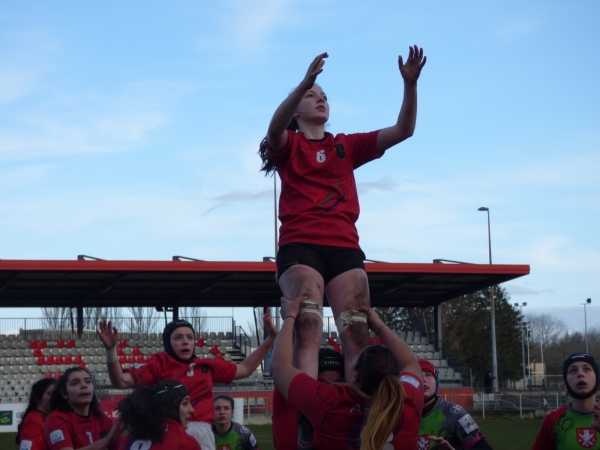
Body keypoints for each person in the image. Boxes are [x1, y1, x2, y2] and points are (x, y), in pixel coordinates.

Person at [258, 45, 427, 384]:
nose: (321, 99)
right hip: (301, 245)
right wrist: (302, 82)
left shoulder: (346, 146)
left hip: (345, 247)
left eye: (323, 95)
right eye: (311, 95)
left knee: (357, 335)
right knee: (307, 329)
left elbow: (404, 130)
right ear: (296, 110)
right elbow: (274, 128)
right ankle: (306, 420)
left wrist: (410, 85)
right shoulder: (289, 145)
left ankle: (357, 418)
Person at [97, 311, 277, 450]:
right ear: (168, 343)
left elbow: (245, 369)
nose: (185, 342)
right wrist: (111, 350)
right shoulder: (159, 363)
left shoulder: (206, 365)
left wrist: (271, 338)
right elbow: (120, 381)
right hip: (168, 431)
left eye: (189, 337)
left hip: (203, 430)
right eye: (178, 337)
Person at [271, 296, 424, 450]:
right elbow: (411, 363)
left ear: (354, 377)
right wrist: (378, 324)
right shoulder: (408, 400)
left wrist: (290, 315)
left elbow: (279, 367)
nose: (331, 385)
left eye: (336, 382)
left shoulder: (329, 403)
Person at [272, 348, 344, 449]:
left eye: (336, 384)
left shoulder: (347, 414)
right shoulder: (290, 405)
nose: (329, 390)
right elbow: (280, 368)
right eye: (322, 384)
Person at [417, 359, 492, 450]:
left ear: (436, 382)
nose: (423, 379)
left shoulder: (457, 412)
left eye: (428, 375)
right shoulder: (399, 413)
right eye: (418, 375)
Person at [43, 367, 122, 450]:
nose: (84, 386)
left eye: (88, 382)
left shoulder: (102, 419)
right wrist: (107, 440)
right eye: (75, 383)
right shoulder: (56, 419)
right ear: (64, 393)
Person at [532, 353, 600, 449]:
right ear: (566, 381)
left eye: (587, 369)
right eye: (572, 370)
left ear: (597, 377)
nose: (580, 374)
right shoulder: (552, 419)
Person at [117, 380, 200, 450]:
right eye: (185, 403)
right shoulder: (185, 443)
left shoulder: (128, 439)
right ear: (170, 406)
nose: (191, 410)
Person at [16, 378, 57, 450]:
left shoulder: (48, 417)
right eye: (50, 393)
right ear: (38, 398)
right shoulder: (34, 421)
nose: (55, 397)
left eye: (57, 393)